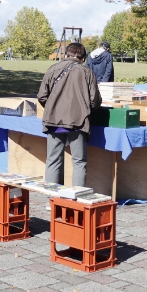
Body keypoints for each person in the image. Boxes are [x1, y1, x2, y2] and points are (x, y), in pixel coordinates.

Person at [37, 42, 101, 188]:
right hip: (78, 123)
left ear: (66, 54)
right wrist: (85, 110)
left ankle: (51, 200)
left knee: (53, 160)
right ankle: (76, 201)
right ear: (83, 57)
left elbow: (42, 96)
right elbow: (94, 100)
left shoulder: (52, 69)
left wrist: (54, 108)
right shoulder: (87, 72)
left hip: (54, 121)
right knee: (79, 162)